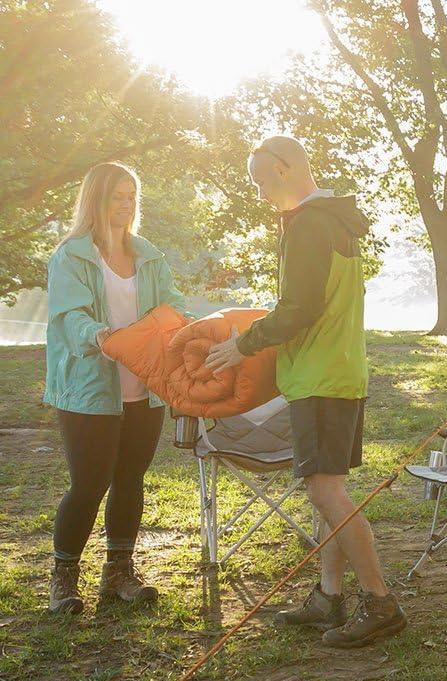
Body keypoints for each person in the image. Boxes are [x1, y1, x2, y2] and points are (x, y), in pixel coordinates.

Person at [204, 135, 405, 647]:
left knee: (324, 490)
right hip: (336, 372)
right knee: (328, 488)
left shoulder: (312, 224)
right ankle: (329, 598)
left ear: (286, 168)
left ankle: (381, 603)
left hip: (322, 377)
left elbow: (300, 308)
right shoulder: (333, 218)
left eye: (260, 180)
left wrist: (243, 345)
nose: (259, 191)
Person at [44, 162, 188, 614]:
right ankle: (64, 576)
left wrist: (186, 329)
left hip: (144, 388)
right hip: (90, 388)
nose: (125, 205)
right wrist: (101, 336)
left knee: (130, 479)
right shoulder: (71, 256)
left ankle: (119, 571)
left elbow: (172, 304)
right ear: (95, 200)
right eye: (115, 196)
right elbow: (70, 316)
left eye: (131, 196)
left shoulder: (150, 255)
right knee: (89, 483)